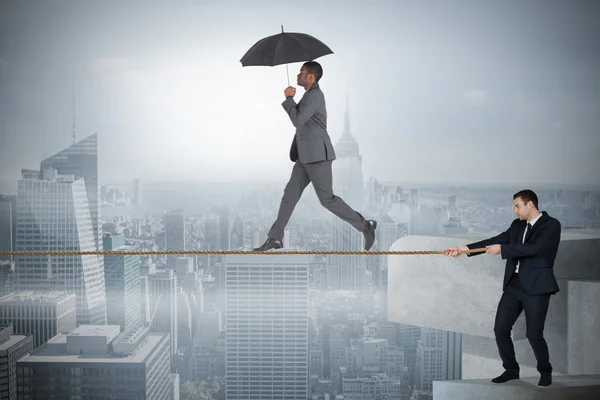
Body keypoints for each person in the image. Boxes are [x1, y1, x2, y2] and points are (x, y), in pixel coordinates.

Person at [253, 61, 377, 251]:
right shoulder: (309, 96)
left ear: (311, 77)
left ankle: (365, 226)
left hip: (318, 157)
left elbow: (298, 120)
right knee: (289, 196)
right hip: (305, 157)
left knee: (327, 200)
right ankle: (275, 238)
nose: (298, 75)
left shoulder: (315, 96)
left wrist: (288, 99)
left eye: (301, 72)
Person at [444, 189, 561, 387]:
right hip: (514, 285)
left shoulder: (551, 225)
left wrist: (503, 249)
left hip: (537, 287)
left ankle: (545, 371)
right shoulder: (517, 226)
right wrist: (464, 249)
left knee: (534, 335)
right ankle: (511, 370)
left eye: (517, 206)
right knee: (500, 329)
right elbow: (497, 240)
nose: (515, 211)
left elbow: (536, 249)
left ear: (530, 204)